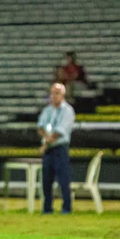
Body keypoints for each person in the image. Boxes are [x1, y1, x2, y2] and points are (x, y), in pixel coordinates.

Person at [37, 83, 76, 214]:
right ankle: (47, 208)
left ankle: (66, 208)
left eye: (57, 93)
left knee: (63, 179)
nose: (54, 96)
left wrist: (47, 141)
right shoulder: (47, 110)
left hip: (60, 148)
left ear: (63, 95)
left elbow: (61, 130)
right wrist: (47, 140)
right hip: (49, 150)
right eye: (52, 93)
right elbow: (41, 126)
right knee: (46, 180)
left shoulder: (68, 110)